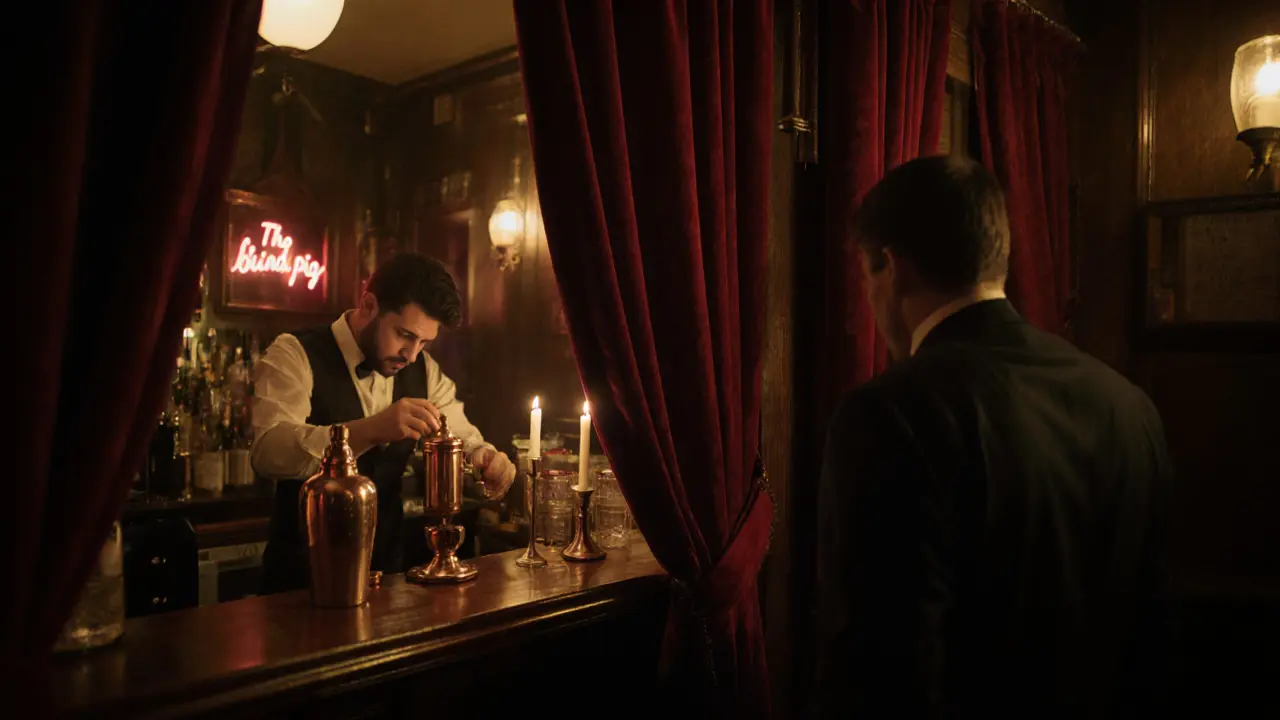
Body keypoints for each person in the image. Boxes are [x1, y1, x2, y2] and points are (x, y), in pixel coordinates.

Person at [815, 156, 1172, 717]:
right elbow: (1150, 639)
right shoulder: (1128, 405)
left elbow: (883, 672)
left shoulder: (888, 414)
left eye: (866, 277)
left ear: (891, 267)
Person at [252, 253, 516, 595]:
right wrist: (371, 429)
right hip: (301, 584)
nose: (411, 354)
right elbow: (268, 451)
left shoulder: (424, 370)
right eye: (404, 335)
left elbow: (461, 431)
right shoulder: (294, 353)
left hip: (389, 577)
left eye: (424, 342)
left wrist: (484, 455)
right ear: (368, 305)